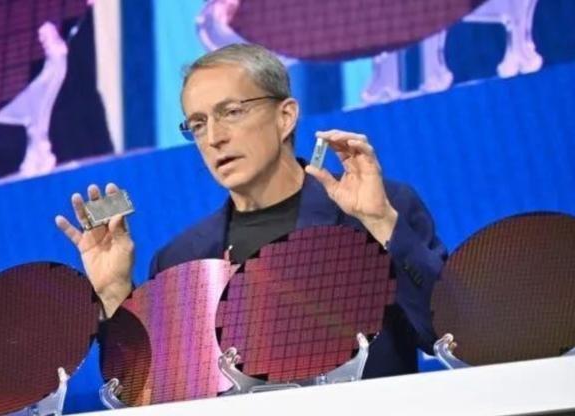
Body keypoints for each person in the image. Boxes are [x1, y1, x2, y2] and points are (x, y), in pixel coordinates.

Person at [55, 43, 447, 378]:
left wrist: (381, 222)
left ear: (285, 117)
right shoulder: (180, 260)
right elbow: (148, 389)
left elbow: (447, 333)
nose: (214, 137)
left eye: (231, 112)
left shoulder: (375, 211)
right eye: (198, 123)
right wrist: (114, 292)